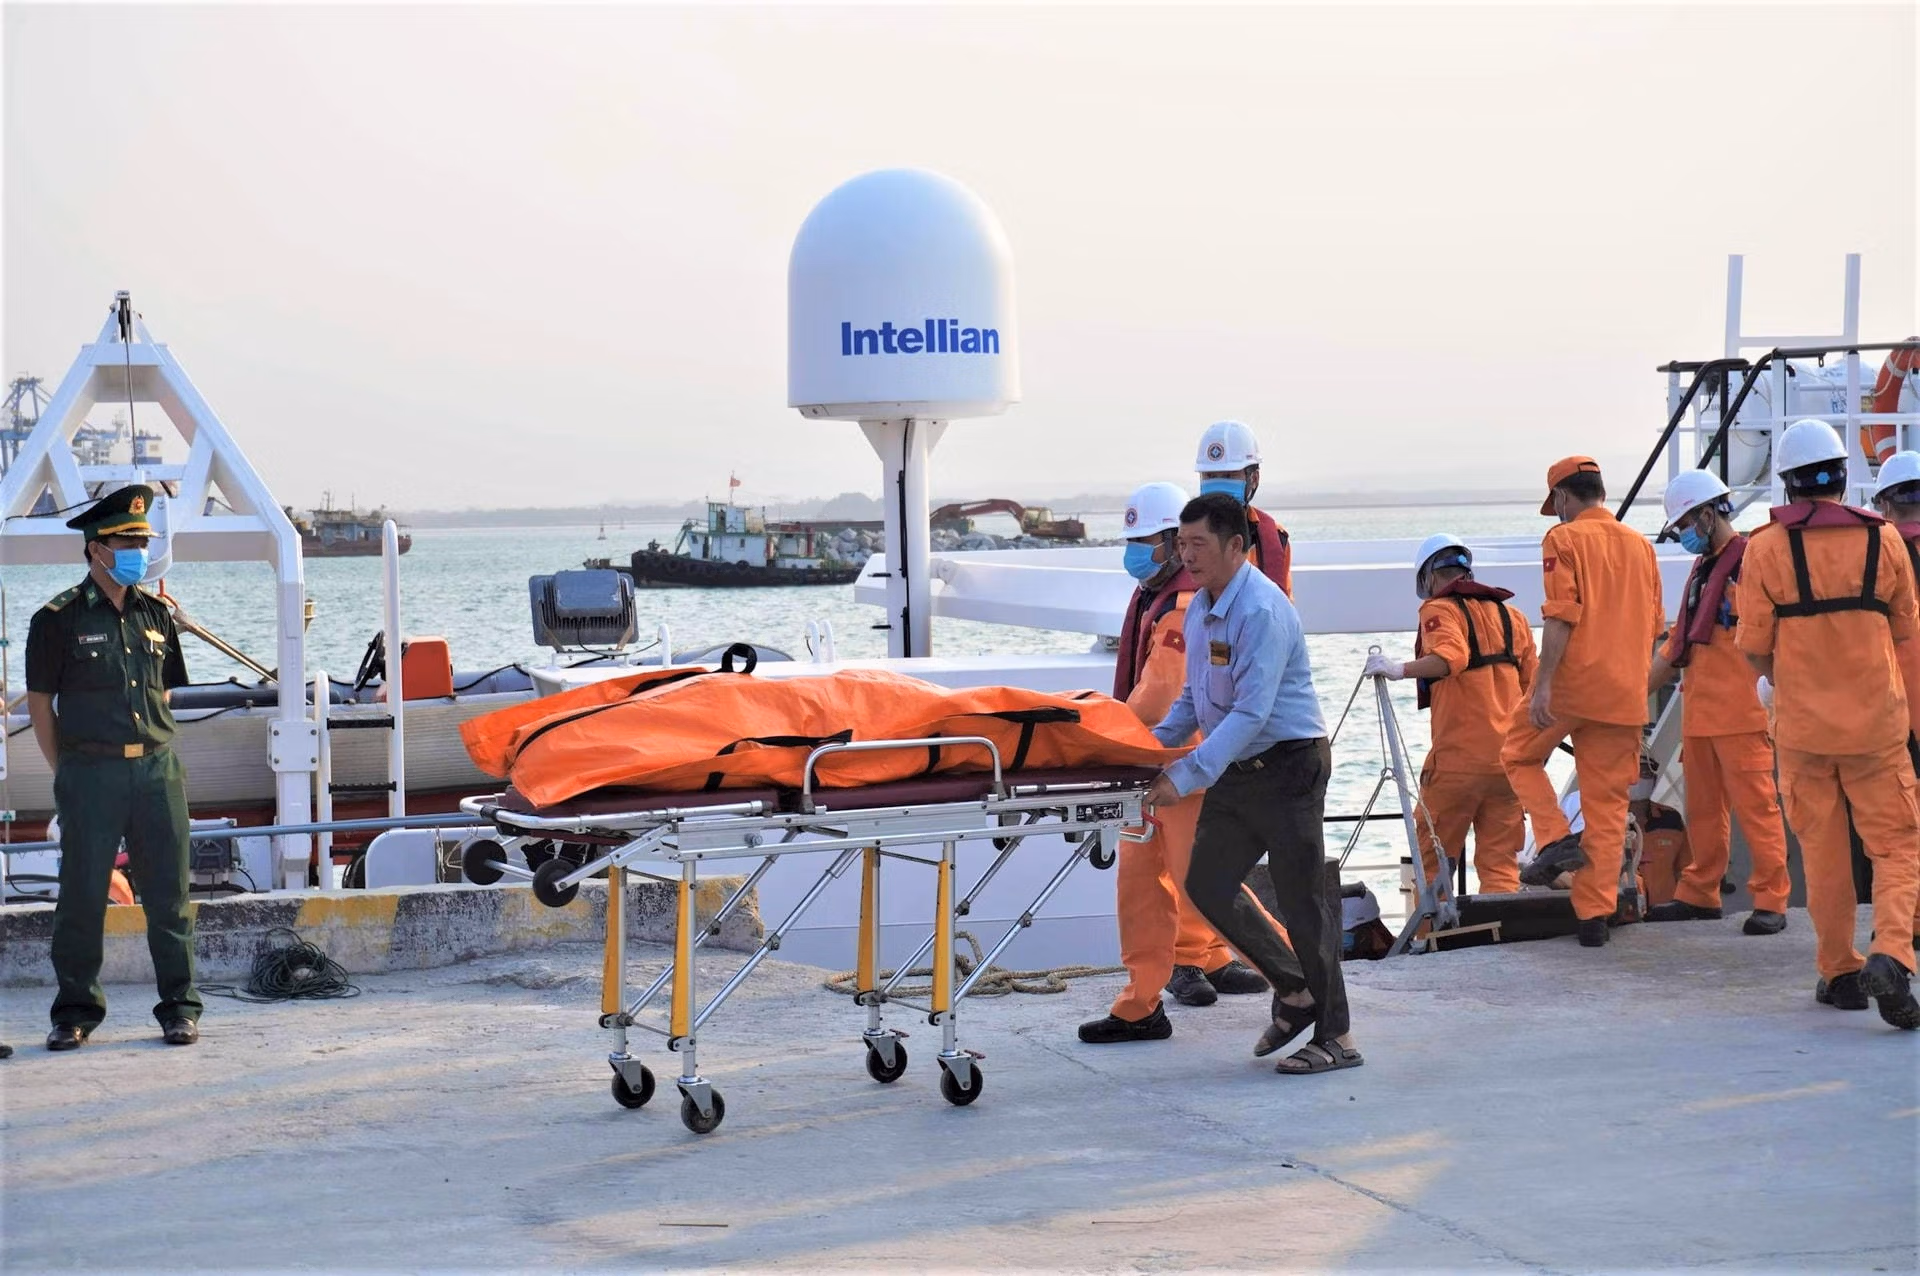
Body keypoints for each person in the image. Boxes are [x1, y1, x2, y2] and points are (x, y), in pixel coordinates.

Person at [1143, 493, 1357, 1075]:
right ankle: (1295, 991)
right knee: (1207, 884)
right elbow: (1194, 698)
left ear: (1236, 545)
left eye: (1199, 544)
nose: (1187, 556)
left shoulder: (1261, 609)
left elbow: (1252, 712)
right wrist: (1146, 753)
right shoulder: (1200, 607)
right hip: (1239, 770)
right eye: (1181, 544)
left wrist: (1184, 774)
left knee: (1302, 902)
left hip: (1289, 767)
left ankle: (1338, 1037)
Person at [1737, 421, 1919, 1029]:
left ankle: (1840, 973)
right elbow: (1904, 628)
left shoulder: (1765, 548)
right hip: (1876, 728)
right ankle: (1892, 952)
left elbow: (1754, 647)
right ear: (1843, 475)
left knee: (1823, 851)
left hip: (1803, 732)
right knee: (1896, 845)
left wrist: (1785, 678)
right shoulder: (1884, 540)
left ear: (1787, 484)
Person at [1079, 484, 1272, 1044]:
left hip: (1181, 772)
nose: (1135, 554)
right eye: (1131, 542)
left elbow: (1163, 699)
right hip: (1147, 769)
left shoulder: (1183, 608)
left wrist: (1100, 734)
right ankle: (1140, 1004)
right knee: (1140, 890)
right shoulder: (1159, 600)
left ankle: (1305, 981)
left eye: (1144, 542)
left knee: (1208, 888)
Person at [26, 484, 200, 1050]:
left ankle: (179, 1007)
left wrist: (145, 745)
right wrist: (66, 771)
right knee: (81, 897)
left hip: (156, 772)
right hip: (90, 773)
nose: (139, 553)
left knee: (169, 896)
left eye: (143, 542)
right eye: (128, 543)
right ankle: (75, 1013)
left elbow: (164, 692)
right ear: (96, 548)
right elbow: (40, 706)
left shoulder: (157, 614)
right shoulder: (55, 619)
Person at [1502, 457, 1665, 947]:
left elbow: (1561, 616)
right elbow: (1655, 626)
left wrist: (1544, 685)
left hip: (1573, 685)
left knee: (1517, 754)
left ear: (1563, 498)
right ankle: (1594, 916)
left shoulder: (1564, 539)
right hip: (1624, 694)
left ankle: (1554, 839)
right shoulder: (1641, 546)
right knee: (1607, 807)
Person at [1643, 469, 1792, 933]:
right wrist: (1631, 697)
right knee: (1704, 812)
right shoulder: (1704, 568)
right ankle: (1699, 892)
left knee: (1758, 810)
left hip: (1742, 713)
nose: (1683, 534)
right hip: (1702, 713)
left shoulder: (1750, 564)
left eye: (1686, 524)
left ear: (1708, 515)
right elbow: (1677, 646)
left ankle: (1772, 900)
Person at [1363, 535, 1537, 896]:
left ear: (1428, 578)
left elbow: (1450, 657)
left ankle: (1433, 931)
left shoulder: (1438, 610)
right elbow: (1534, 688)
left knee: (1433, 865)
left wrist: (1397, 669)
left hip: (1458, 764)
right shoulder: (1513, 617)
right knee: (1501, 866)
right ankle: (1501, 930)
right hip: (1510, 765)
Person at [1868, 450, 1920, 952]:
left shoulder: (1878, 553)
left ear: (1884, 504)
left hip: (1891, 710)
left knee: (1896, 831)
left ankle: (1906, 924)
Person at [1195, 420, 1292, 595]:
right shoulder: (1181, 541)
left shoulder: (1276, 539)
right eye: (1210, 476)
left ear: (1254, 479)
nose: (1218, 484)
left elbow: (1283, 607)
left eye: (1228, 476)